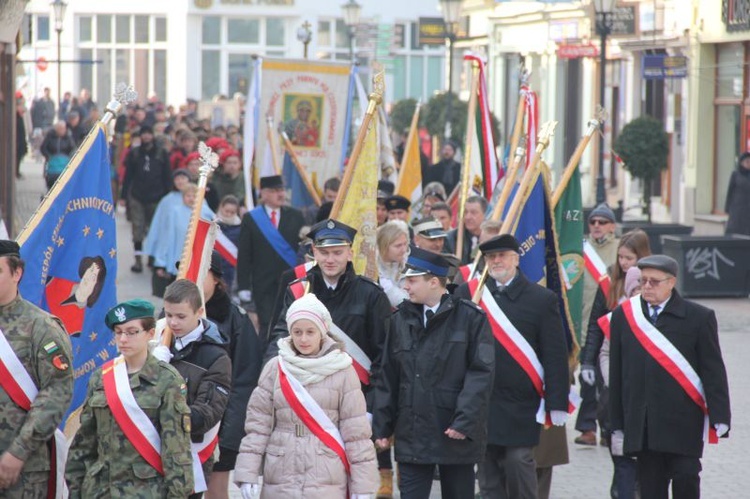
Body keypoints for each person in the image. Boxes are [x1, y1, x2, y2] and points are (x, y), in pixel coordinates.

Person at [265, 218, 393, 494]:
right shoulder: (299, 291)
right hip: (304, 403)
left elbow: (385, 359)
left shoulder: (371, 296)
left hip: (352, 407)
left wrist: (373, 409)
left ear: (350, 253)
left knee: (345, 482)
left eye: (337, 252)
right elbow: (278, 341)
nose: (330, 259)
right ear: (314, 252)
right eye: (324, 252)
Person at [372, 246, 494, 499]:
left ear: (435, 282)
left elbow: (481, 374)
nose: (406, 286)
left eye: (412, 280)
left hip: (455, 433)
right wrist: (382, 428)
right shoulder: (399, 320)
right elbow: (388, 376)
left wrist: (464, 422)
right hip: (412, 432)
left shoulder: (471, 318)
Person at [455, 234, 569, 499]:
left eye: (503, 255)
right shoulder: (470, 294)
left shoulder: (541, 299)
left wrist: (557, 402)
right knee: (488, 476)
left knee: (519, 463)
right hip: (483, 400)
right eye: (491, 257)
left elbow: (554, 355)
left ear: (516, 259)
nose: (497, 261)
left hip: (522, 403)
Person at [609, 255, 731, 499]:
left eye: (654, 282)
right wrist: (617, 423)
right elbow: (618, 373)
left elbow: (713, 370)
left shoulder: (698, 317)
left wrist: (720, 416)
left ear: (671, 282)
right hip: (644, 424)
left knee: (686, 479)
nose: (647, 287)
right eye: (643, 281)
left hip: (683, 421)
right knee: (651, 488)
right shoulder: (625, 316)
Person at [235, 294, 378, 498]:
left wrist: (363, 486)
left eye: (310, 332)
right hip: (281, 470)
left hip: (326, 472)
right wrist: (247, 473)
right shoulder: (275, 368)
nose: (303, 339)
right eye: (297, 332)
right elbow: (257, 427)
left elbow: (357, 434)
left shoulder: (343, 370)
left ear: (322, 331)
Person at [65, 299, 194, 498]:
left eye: (132, 332)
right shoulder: (102, 377)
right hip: (100, 490)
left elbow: (176, 451)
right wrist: (75, 490)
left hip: (145, 491)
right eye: (118, 332)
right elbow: (84, 442)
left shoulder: (167, 380)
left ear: (150, 334)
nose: (123, 339)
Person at [0, 240, 73, 497]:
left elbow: (58, 391)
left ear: (16, 273)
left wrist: (18, 451)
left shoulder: (41, 327)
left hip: (20, 469)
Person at [580, 229, 650, 498]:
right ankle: (621, 481)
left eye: (629, 258)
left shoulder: (651, 282)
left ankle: (631, 484)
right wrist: (588, 361)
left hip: (641, 375)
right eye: (621, 257)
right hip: (610, 366)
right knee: (610, 422)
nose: (624, 263)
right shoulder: (610, 280)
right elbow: (597, 325)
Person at [155, 279, 232, 497]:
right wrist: (148, 367)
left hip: (188, 458)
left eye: (181, 316)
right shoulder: (157, 343)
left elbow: (206, 415)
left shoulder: (215, 357)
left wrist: (163, 414)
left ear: (199, 312)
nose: (173, 323)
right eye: (168, 315)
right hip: (149, 453)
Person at [202, 253, 264, 499]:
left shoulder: (235, 319)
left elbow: (245, 381)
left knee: (216, 491)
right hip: (179, 427)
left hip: (219, 426)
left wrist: (229, 436)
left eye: (200, 272)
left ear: (217, 279)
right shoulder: (169, 318)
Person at [237, 175, 305, 341]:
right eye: (275, 191)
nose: (281, 194)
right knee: (267, 324)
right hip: (263, 283)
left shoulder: (296, 216)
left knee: (289, 321)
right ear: (264, 194)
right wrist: (243, 285)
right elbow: (244, 254)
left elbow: (302, 251)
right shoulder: (251, 219)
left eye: (281, 190)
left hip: (290, 281)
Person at [576, 202, 620, 446]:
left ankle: (607, 427)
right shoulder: (580, 251)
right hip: (585, 325)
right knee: (587, 380)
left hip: (610, 325)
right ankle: (586, 427)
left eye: (602, 222)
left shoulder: (620, 249)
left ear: (612, 226)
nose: (596, 226)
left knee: (607, 381)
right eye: (592, 221)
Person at [121, 125, 173, 273]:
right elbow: (128, 176)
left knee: (154, 229)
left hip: (157, 197)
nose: (146, 137)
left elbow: (167, 176)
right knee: (137, 229)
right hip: (137, 196)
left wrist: (169, 195)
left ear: (153, 136)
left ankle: (152, 257)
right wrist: (124, 196)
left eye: (149, 134)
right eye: (144, 134)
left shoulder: (161, 153)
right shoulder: (134, 153)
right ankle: (138, 260)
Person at [376, 220, 410, 308]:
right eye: (398, 246)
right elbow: (399, 300)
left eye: (405, 244)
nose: (404, 250)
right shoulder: (374, 268)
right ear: (384, 246)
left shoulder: (409, 261)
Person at [444, 195, 487, 265]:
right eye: (465, 212)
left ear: (485, 214)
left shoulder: (491, 237)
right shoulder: (451, 239)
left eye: (473, 213)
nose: (468, 217)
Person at [215, 194, 242, 292]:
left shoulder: (241, 228)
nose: (229, 214)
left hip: (231, 271)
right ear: (221, 207)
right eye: (227, 211)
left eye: (232, 212)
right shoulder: (212, 225)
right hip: (213, 269)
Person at [40, 120, 76, 189]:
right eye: (59, 129)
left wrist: (69, 158)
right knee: (51, 182)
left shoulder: (68, 138)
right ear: (56, 129)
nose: (61, 131)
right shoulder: (50, 136)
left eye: (63, 129)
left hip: (64, 163)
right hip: (52, 163)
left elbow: (73, 149)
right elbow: (43, 148)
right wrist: (48, 156)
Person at [724, 151, 750, 236]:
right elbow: (730, 191)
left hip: (748, 209)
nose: (748, 164)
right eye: (747, 162)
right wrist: (727, 208)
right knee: (735, 231)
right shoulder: (735, 174)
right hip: (736, 209)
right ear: (741, 162)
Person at [15, 97, 28, 179]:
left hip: (21, 140)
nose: (23, 108)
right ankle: (16, 172)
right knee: (16, 157)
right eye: (21, 105)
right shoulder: (15, 117)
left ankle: (17, 171)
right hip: (17, 141)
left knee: (19, 157)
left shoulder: (20, 116)